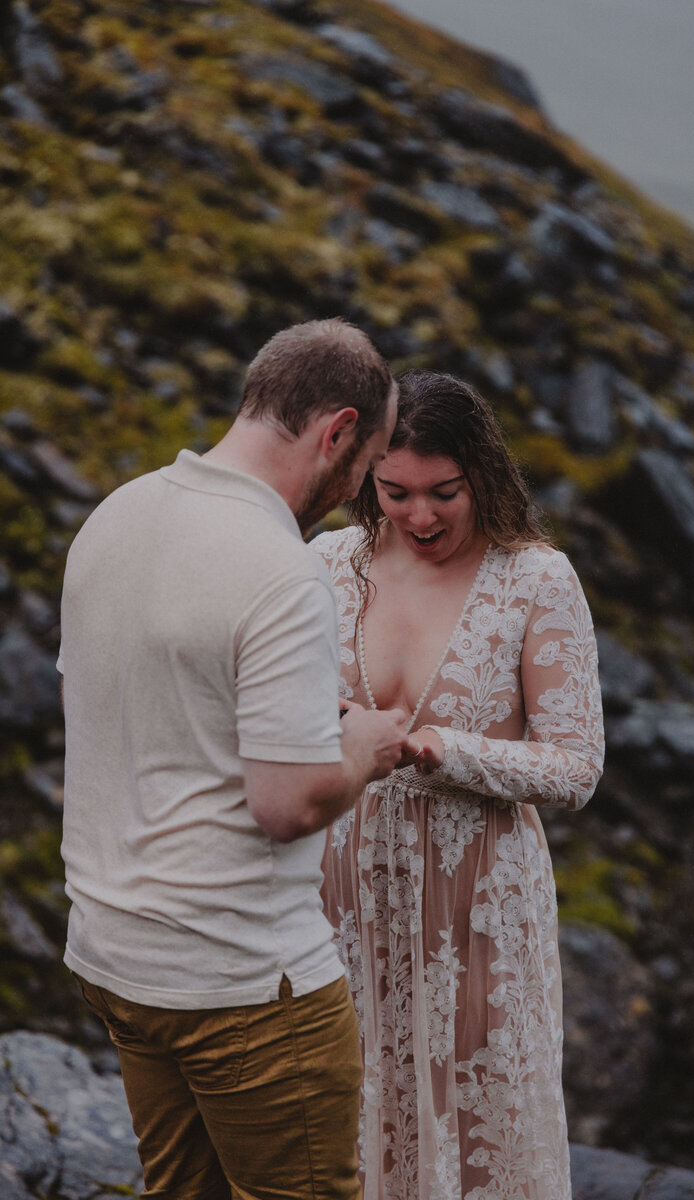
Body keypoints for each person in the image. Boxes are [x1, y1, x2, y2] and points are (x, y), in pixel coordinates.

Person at [58, 318, 417, 1200]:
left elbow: (141, 708)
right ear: (336, 431)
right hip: (245, 980)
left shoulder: (119, 511)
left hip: (114, 955)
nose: (355, 494)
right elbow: (286, 804)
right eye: (365, 466)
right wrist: (365, 748)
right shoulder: (280, 569)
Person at [312, 370, 605, 1200]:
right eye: (395, 491)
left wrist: (449, 749)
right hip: (338, 908)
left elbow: (578, 766)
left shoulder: (536, 579)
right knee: (349, 1128)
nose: (421, 516)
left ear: (483, 473)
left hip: (477, 909)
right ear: (365, 474)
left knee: (480, 1133)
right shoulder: (326, 564)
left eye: (446, 492)